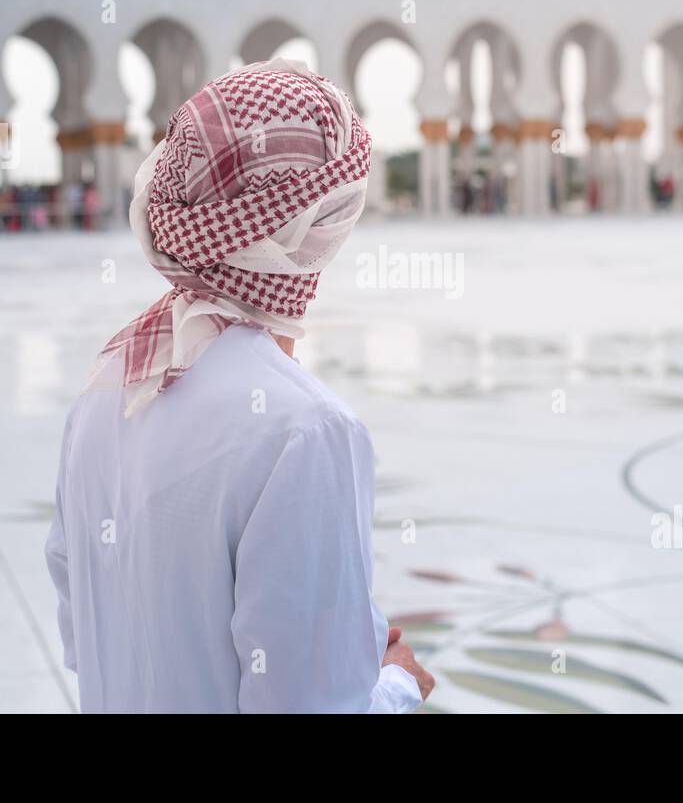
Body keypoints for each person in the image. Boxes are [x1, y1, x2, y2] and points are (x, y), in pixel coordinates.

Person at [44, 60, 434, 713]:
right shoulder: (303, 432)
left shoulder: (105, 387)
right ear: (318, 229)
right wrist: (395, 685)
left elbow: (88, 641)